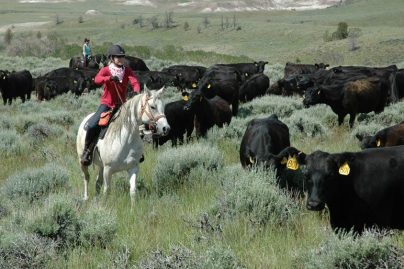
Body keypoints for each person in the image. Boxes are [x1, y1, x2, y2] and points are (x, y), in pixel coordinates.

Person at [80, 44, 141, 166]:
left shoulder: (127, 70)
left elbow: (135, 82)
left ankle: (138, 151)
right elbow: (97, 79)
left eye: (122, 57)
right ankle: (87, 151)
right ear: (112, 58)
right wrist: (108, 78)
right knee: (92, 125)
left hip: (122, 105)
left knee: (135, 123)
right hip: (107, 104)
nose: (120, 59)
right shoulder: (106, 69)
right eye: (117, 57)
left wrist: (136, 91)